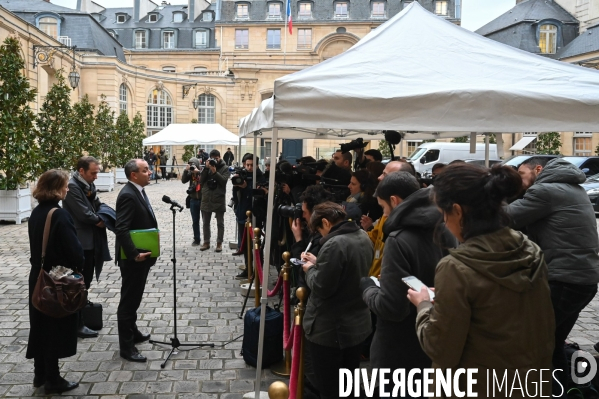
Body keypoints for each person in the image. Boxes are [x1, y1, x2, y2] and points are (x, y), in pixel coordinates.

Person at [407, 163, 555, 396]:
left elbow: (440, 348)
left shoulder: (456, 267)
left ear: (457, 211)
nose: (444, 222)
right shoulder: (530, 250)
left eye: (443, 214)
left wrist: (424, 305)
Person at [506, 157, 599, 396]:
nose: (520, 179)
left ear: (538, 169)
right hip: (582, 279)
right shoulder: (572, 187)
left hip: (564, 279)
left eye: (521, 173)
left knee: (533, 342)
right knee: (552, 342)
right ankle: (563, 391)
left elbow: (507, 218)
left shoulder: (545, 190)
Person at [360, 172, 455, 396]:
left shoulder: (398, 238)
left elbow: (392, 307)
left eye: (383, 208)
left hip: (399, 350)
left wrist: (368, 288)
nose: (383, 214)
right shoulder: (447, 228)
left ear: (394, 201)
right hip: (437, 339)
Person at [300, 202, 373, 399]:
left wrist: (310, 269)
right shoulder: (362, 236)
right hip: (356, 325)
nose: (320, 235)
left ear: (326, 222)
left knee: (329, 386)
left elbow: (322, 287)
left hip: (330, 329)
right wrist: (319, 263)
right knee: (347, 384)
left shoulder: (334, 244)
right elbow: (347, 270)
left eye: (319, 230)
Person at [27, 169, 84, 394]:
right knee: (53, 327)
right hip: (55, 279)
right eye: (65, 185)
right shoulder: (59, 214)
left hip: (38, 276)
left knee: (40, 326)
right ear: (56, 189)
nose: (68, 189)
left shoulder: (37, 212)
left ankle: (40, 374)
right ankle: (53, 379)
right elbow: (74, 251)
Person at [62, 156, 110, 339]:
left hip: (89, 240)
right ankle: (77, 324)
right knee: (79, 281)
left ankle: (79, 315)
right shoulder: (73, 186)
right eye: (93, 173)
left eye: (97, 172)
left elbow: (97, 204)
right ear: (82, 171)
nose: (96, 176)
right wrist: (99, 221)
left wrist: (108, 214)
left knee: (85, 281)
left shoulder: (87, 184)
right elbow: (83, 213)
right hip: (81, 241)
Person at [115, 159, 157, 362]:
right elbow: (121, 228)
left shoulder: (138, 189)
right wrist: (134, 254)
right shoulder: (128, 195)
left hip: (141, 256)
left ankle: (134, 332)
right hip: (134, 258)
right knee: (128, 301)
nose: (150, 172)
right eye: (145, 170)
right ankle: (127, 347)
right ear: (134, 175)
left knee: (135, 297)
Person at [233, 153, 263, 279]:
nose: (249, 167)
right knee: (245, 244)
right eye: (247, 165)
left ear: (256, 165)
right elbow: (235, 195)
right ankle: (248, 268)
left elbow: (258, 194)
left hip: (255, 214)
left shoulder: (261, 176)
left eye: (252, 165)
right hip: (242, 213)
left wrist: (246, 188)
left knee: (256, 244)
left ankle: (258, 269)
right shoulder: (242, 175)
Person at [199, 149, 231, 252]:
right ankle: (206, 242)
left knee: (220, 223)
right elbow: (201, 181)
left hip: (219, 198)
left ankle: (219, 243)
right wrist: (205, 169)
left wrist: (215, 172)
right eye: (212, 159)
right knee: (205, 222)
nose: (214, 161)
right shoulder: (207, 168)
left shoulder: (225, 168)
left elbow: (223, 181)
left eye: (216, 159)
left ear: (220, 158)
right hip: (207, 198)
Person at [182, 157, 202, 246]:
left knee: (205, 221)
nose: (192, 166)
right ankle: (196, 238)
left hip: (202, 199)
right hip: (193, 199)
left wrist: (197, 172)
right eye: (190, 164)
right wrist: (186, 171)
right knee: (195, 221)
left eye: (193, 164)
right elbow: (183, 181)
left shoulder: (202, 172)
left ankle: (206, 240)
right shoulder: (190, 173)